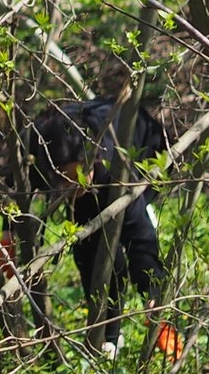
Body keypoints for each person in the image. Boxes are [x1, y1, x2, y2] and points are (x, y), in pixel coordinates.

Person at [25, 95, 174, 359]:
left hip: (146, 150)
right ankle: (107, 338)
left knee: (122, 236)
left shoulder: (113, 169)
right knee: (91, 251)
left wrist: (154, 300)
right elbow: (18, 186)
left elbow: (141, 240)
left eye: (80, 174)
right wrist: (8, 232)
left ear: (90, 161)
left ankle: (131, 329)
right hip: (85, 168)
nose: (76, 183)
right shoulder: (38, 148)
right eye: (65, 179)